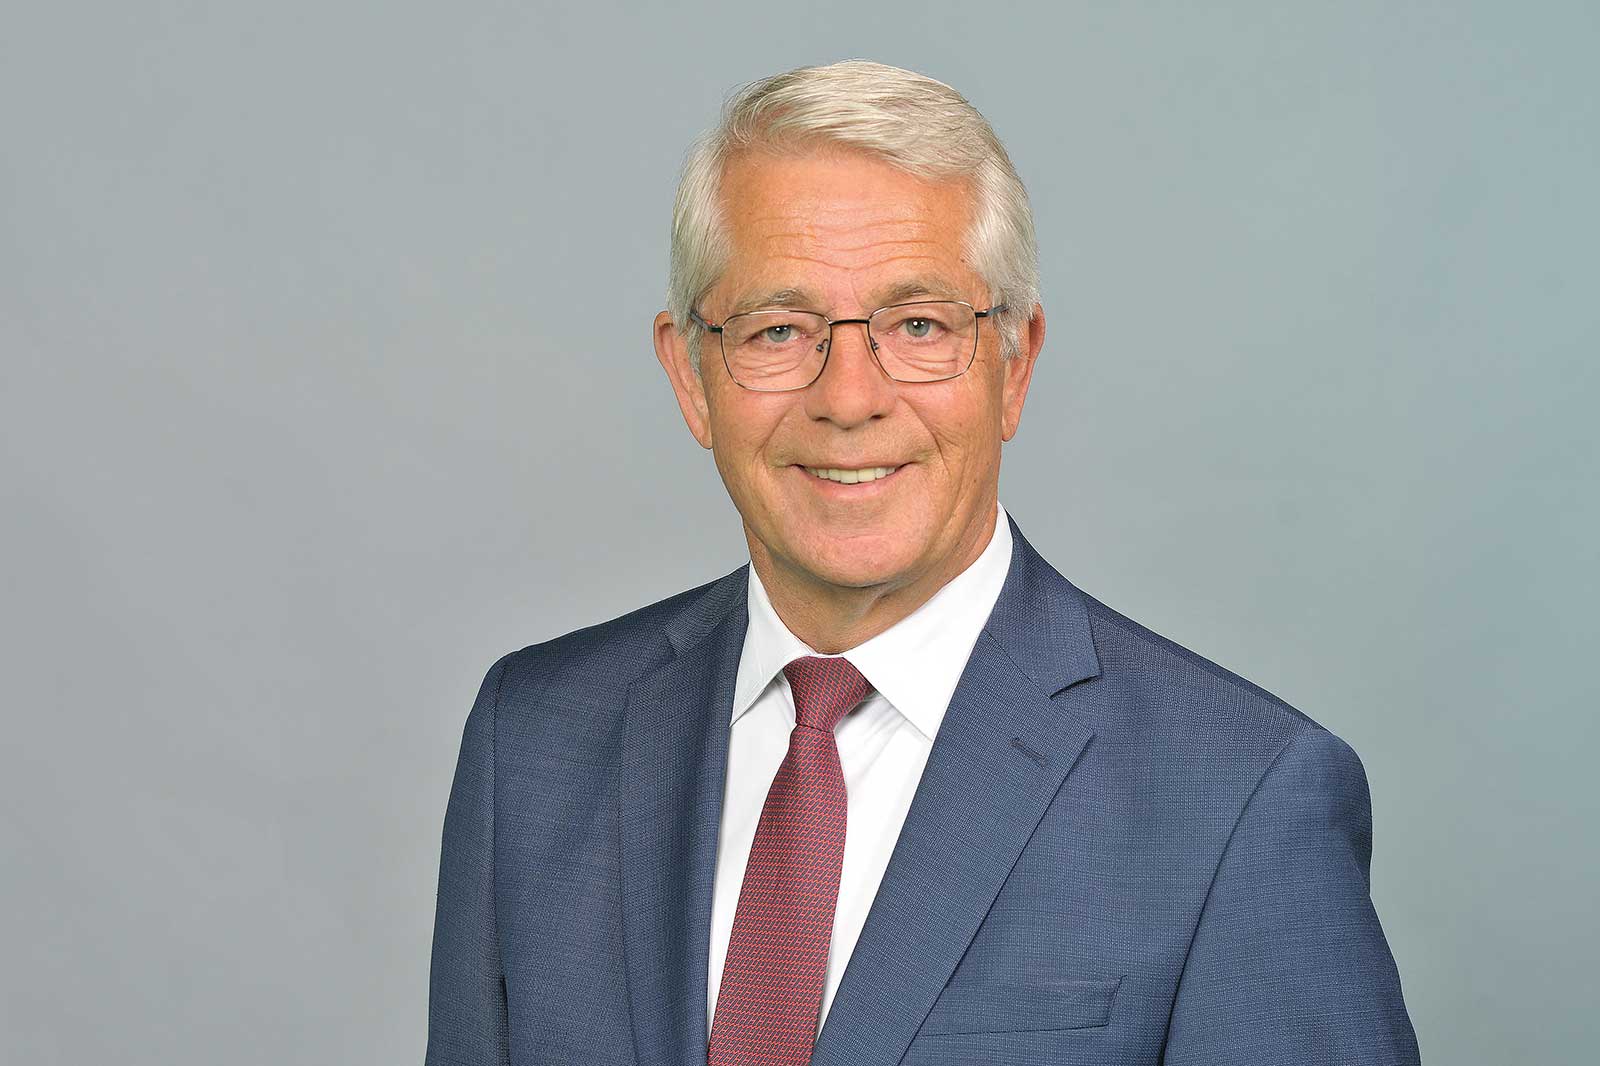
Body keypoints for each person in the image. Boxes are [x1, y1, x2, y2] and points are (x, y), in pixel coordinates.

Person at [425, 60, 1421, 1066]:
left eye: (918, 325)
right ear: (691, 377)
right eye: (779, 329)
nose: (849, 396)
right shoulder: (537, 739)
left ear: (1013, 365)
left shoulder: (1240, 797)